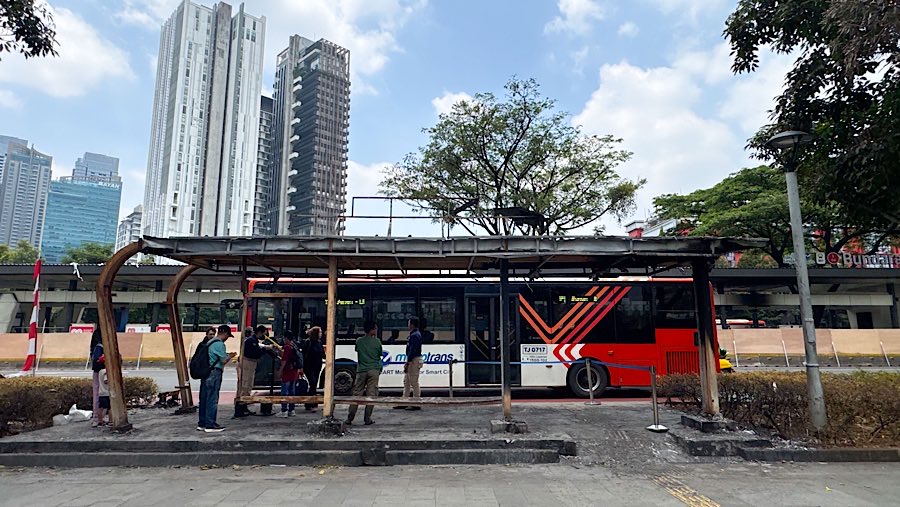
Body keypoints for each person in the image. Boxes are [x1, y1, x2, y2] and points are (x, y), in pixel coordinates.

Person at [346, 321, 383, 425]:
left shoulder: (359, 341)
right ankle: (367, 419)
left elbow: (357, 350)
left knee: (357, 394)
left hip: (361, 370)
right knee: (371, 395)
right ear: (372, 330)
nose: (376, 330)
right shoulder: (377, 341)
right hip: (374, 369)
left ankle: (350, 418)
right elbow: (379, 353)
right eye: (375, 328)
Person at [234, 325, 275, 418]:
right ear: (259, 332)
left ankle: (244, 406)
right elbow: (255, 353)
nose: (264, 336)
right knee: (245, 385)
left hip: (251, 363)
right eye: (263, 334)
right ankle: (240, 408)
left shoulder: (253, 340)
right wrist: (264, 349)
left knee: (248, 385)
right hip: (248, 363)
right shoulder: (251, 341)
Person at [199, 324, 234, 432]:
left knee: (204, 398)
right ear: (225, 333)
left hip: (206, 372)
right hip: (214, 373)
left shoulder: (209, 342)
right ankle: (210, 424)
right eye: (228, 335)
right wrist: (230, 356)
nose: (227, 338)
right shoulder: (219, 344)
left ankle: (202, 423)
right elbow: (223, 360)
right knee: (212, 398)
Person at [395, 316, 423, 411]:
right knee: (406, 381)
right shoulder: (414, 334)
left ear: (412, 324)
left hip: (413, 360)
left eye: (409, 323)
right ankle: (404, 401)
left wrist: (408, 361)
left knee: (414, 382)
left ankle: (416, 403)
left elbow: (412, 350)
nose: (408, 324)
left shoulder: (415, 335)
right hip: (411, 359)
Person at [277, 331, 303, 417]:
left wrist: (280, 370)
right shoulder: (294, 346)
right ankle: (292, 410)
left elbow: (284, 360)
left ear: (286, 338)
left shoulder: (287, 347)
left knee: (285, 391)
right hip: (294, 371)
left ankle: (284, 410)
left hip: (287, 371)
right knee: (292, 391)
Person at [302, 326, 324, 411]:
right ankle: (309, 403)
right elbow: (304, 355)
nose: (321, 334)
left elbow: (322, 354)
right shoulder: (308, 342)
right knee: (312, 383)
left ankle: (312, 403)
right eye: (320, 332)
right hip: (309, 366)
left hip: (317, 366)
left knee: (314, 385)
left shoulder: (319, 343)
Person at [89, 329, 104, 427]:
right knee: (102, 394)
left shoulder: (94, 347)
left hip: (96, 372)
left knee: (96, 394)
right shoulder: (100, 347)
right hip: (102, 372)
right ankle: (100, 417)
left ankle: (96, 417)